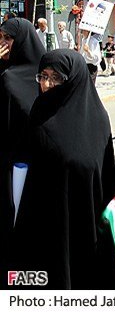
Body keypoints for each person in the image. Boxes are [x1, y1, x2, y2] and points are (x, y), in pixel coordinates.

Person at [9, 49, 115, 289]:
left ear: (74, 79)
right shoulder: (39, 112)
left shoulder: (98, 119)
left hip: (84, 219)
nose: (46, 84)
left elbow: (105, 174)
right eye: (43, 76)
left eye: (56, 78)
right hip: (46, 221)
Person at [0, 18, 45, 286]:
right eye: (1, 38)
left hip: (29, 162)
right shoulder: (7, 74)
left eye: (8, 38)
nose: (3, 44)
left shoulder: (44, 76)